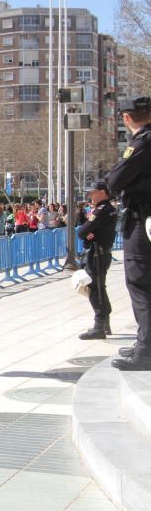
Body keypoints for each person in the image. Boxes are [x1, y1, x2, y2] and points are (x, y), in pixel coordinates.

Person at [106, 97, 151, 369]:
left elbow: (115, 180)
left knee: (141, 284)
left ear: (126, 118)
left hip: (142, 219)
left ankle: (146, 351)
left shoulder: (143, 142)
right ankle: (144, 342)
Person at [77, 183, 118, 340]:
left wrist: (88, 231)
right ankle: (105, 323)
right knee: (100, 287)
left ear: (102, 192)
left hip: (97, 255)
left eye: (93, 193)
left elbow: (81, 231)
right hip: (102, 253)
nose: (90, 196)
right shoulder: (109, 209)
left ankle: (99, 325)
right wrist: (89, 231)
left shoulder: (102, 210)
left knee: (95, 289)